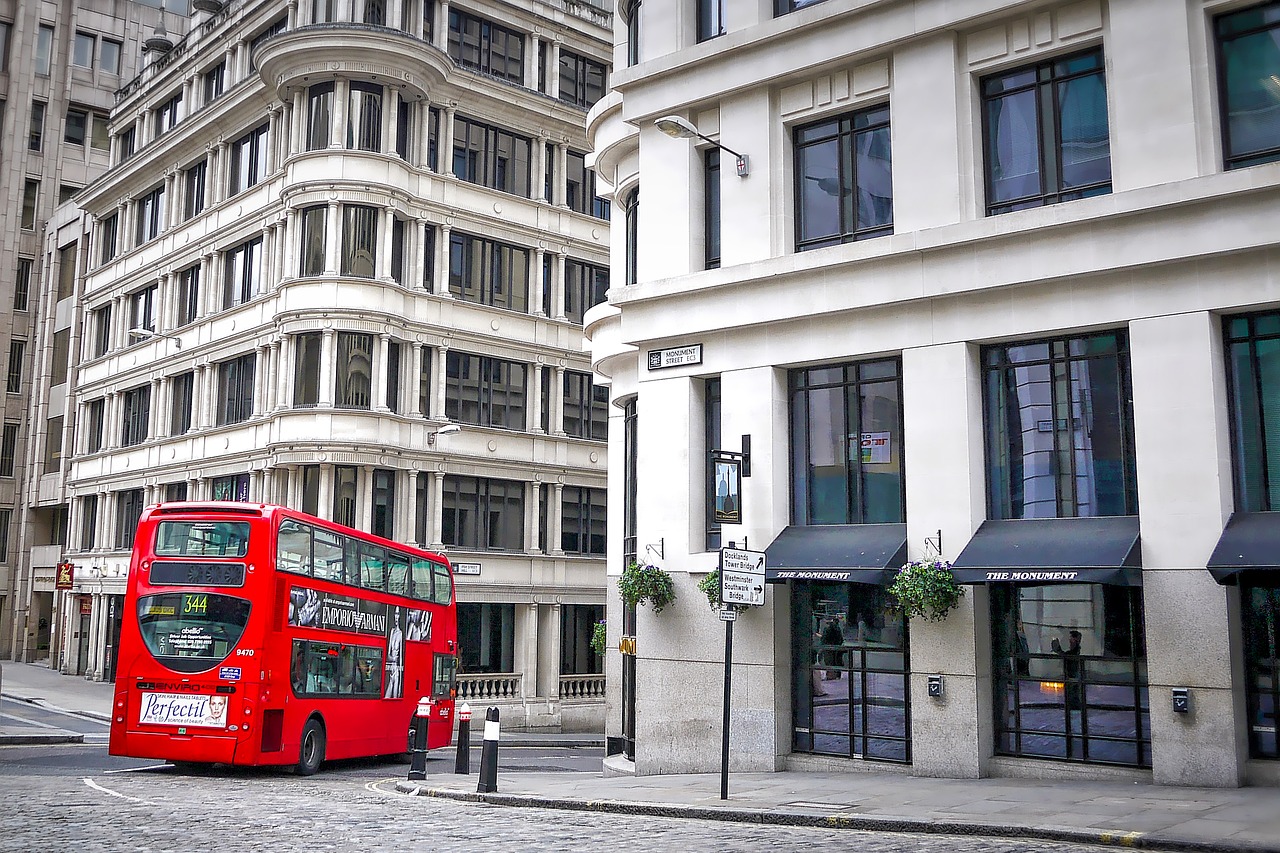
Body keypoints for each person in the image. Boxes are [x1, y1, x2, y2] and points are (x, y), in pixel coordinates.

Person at [1051, 629, 1083, 710]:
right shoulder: (1074, 651)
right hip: (1070, 676)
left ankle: (1073, 708)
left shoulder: (1075, 652)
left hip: (1073, 677)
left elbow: (1067, 656)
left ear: (1075, 640)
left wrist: (1058, 650)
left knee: (1073, 695)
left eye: (1071, 638)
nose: (1069, 640)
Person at [384, 607, 404, 699]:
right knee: (387, 696)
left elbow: (400, 658)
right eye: (395, 614)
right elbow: (388, 653)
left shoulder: (400, 634)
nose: (396, 616)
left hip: (396, 668)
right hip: (389, 667)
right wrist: (391, 659)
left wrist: (399, 670)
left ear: (400, 616)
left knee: (395, 697)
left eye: (398, 614)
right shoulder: (392, 631)